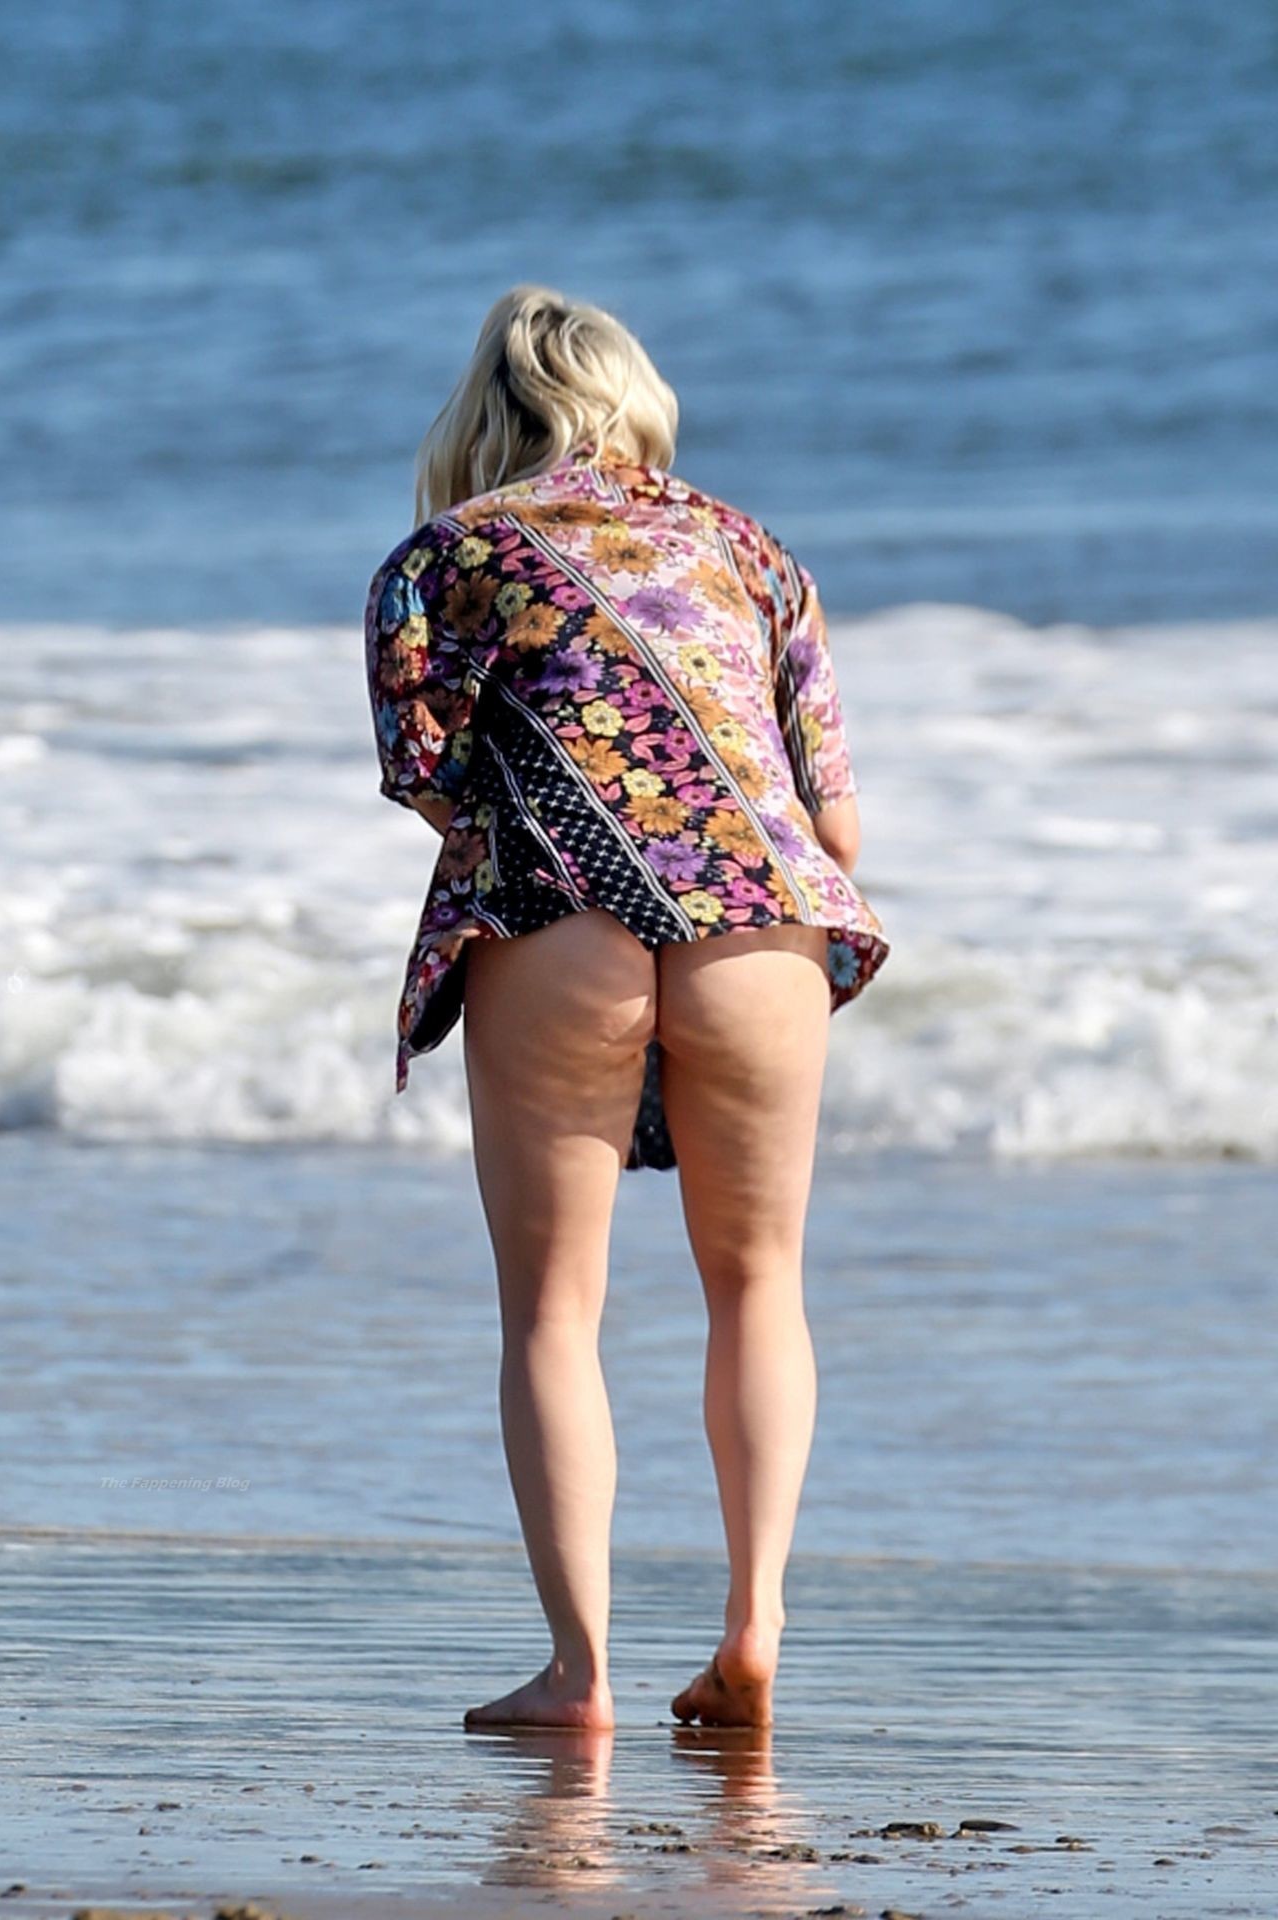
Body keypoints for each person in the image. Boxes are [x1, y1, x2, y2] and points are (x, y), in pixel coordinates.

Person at [364, 284, 891, 1731]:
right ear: (636, 399)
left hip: (561, 905)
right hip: (763, 914)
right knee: (760, 1281)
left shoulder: (440, 559)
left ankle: (579, 1676)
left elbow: (431, 783)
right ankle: (755, 1626)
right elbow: (838, 829)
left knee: (554, 1307)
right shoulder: (752, 550)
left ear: (481, 418)